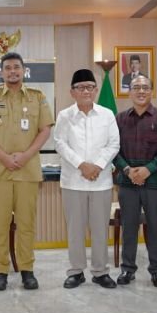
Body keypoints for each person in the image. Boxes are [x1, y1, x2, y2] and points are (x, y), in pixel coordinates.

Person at [0, 52, 54, 291]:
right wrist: (4, 157)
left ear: (23, 71)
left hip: (27, 171)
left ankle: (27, 270)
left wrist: (25, 156)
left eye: (16, 67)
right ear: (1, 72)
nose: (12, 71)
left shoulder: (37, 97)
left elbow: (44, 130)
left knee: (26, 223)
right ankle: (0, 271)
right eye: (8, 68)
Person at [53, 69, 120, 289]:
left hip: (100, 181)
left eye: (90, 87)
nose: (86, 91)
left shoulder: (107, 114)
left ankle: (100, 272)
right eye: (80, 87)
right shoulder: (64, 116)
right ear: (72, 92)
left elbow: (114, 144)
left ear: (96, 90)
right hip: (73, 180)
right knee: (75, 229)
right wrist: (82, 165)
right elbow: (60, 143)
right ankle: (76, 271)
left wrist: (97, 166)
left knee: (100, 228)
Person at [112, 75, 157, 288]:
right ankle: (127, 270)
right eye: (136, 87)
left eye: (145, 87)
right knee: (129, 227)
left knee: (155, 227)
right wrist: (129, 170)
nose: (141, 91)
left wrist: (148, 169)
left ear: (151, 91)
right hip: (128, 181)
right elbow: (113, 149)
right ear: (129, 92)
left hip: (154, 181)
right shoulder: (120, 118)